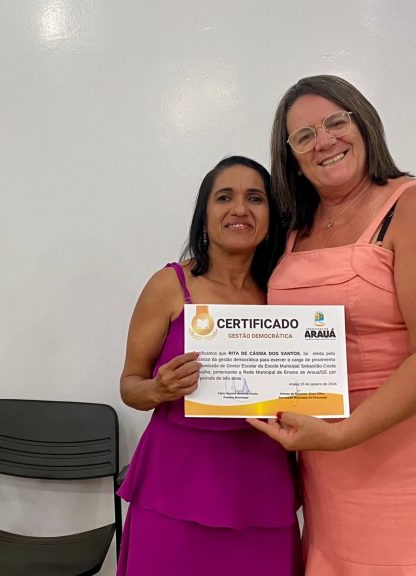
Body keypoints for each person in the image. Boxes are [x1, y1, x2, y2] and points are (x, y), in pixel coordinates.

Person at [247, 76, 416, 575]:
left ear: (364, 124)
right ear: (291, 156)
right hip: (327, 453)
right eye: (304, 136)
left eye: (335, 122)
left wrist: (344, 434)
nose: (324, 141)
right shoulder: (292, 228)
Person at [117, 156, 302, 576]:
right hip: (174, 482)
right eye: (224, 197)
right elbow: (130, 385)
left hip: (261, 482)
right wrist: (158, 389)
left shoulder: (285, 293)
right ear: (204, 216)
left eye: (255, 198)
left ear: (271, 218)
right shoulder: (169, 286)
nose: (240, 208)